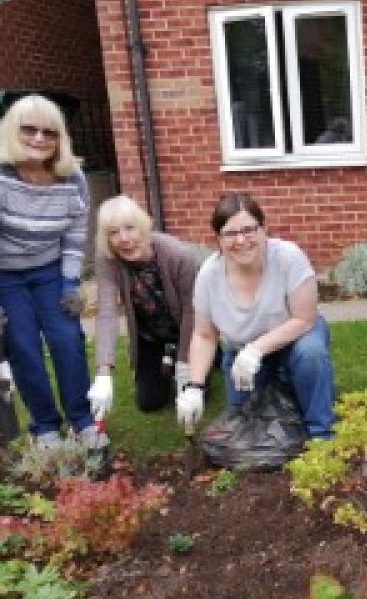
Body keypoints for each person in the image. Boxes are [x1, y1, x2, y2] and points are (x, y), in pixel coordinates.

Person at [176, 192, 335, 439]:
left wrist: (256, 349)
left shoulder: (288, 257)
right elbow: (204, 335)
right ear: (218, 238)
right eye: (230, 234)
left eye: (249, 230)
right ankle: (285, 383)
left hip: (295, 337)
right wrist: (195, 386)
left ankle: (320, 433)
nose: (241, 240)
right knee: (246, 425)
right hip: (241, 352)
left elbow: (304, 318)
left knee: (310, 355)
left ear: (263, 229)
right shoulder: (209, 276)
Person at [0, 94, 103, 449]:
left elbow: (75, 233)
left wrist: (71, 281)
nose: (40, 139)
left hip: (50, 271)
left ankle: (82, 420)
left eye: (50, 132)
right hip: (6, 278)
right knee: (23, 347)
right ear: (13, 132)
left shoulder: (72, 177)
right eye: (29, 130)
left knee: (67, 341)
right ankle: (44, 426)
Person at [88, 195, 198, 418]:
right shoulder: (107, 259)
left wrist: (186, 363)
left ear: (144, 227)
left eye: (130, 228)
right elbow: (107, 312)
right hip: (150, 336)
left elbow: (191, 312)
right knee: (149, 402)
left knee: (194, 392)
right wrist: (103, 373)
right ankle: (167, 362)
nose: (124, 239)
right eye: (113, 232)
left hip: (188, 331)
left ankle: (195, 358)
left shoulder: (179, 256)